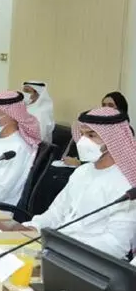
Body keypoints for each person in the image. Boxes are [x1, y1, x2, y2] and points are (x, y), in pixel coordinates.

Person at [25, 107, 136, 259]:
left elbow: (116, 245)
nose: (83, 141)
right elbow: (56, 213)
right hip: (55, 248)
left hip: (89, 260)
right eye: (82, 134)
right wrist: (34, 227)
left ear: (113, 140)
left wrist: (67, 246)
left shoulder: (127, 184)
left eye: (91, 135)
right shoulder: (82, 172)